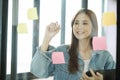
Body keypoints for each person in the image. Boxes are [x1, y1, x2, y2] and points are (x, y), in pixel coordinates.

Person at [30, 9, 115, 80]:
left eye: (84, 23)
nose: (79, 27)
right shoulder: (61, 52)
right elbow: (38, 72)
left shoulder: (105, 57)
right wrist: (47, 38)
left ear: (94, 27)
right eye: (76, 23)